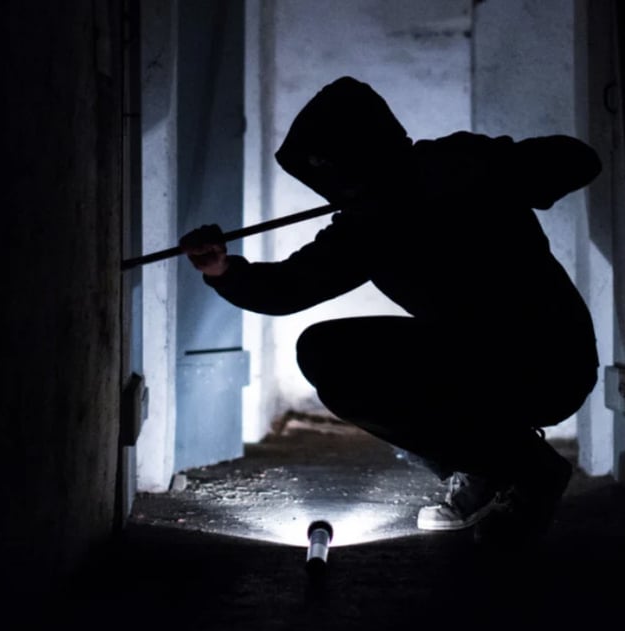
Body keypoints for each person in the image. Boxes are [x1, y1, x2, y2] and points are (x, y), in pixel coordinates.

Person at [179, 76, 601, 547]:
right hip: (470, 363)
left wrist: (482, 170)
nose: (337, 193)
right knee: (327, 353)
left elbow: (580, 161)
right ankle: (490, 462)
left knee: (392, 359)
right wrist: (222, 269)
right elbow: (287, 289)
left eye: (341, 176)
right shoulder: (367, 227)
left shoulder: (460, 165)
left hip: (553, 358)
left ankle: (527, 471)